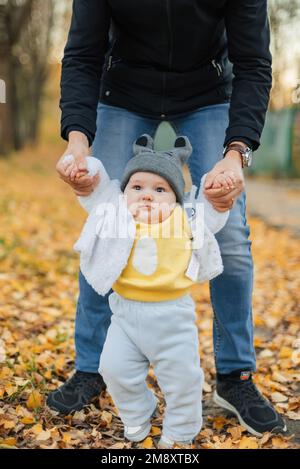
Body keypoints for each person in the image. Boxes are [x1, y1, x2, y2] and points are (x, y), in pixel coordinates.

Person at [50, 0, 287, 436]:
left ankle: (236, 377)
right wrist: (78, 141)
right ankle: (91, 368)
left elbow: (253, 63)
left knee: (231, 235)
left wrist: (237, 153)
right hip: (121, 92)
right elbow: (82, 54)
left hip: (208, 95)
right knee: (109, 226)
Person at [62, 134, 232, 448]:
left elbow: (212, 209)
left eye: (160, 189)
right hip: (124, 314)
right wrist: (84, 169)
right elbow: (98, 192)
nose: (147, 196)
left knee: (182, 380)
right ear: (124, 193)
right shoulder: (117, 217)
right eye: (136, 187)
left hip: (172, 317)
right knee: (112, 369)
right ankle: (139, 413)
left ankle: (181, 429)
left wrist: (217, 187)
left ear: (176, 197)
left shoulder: (185, 218)